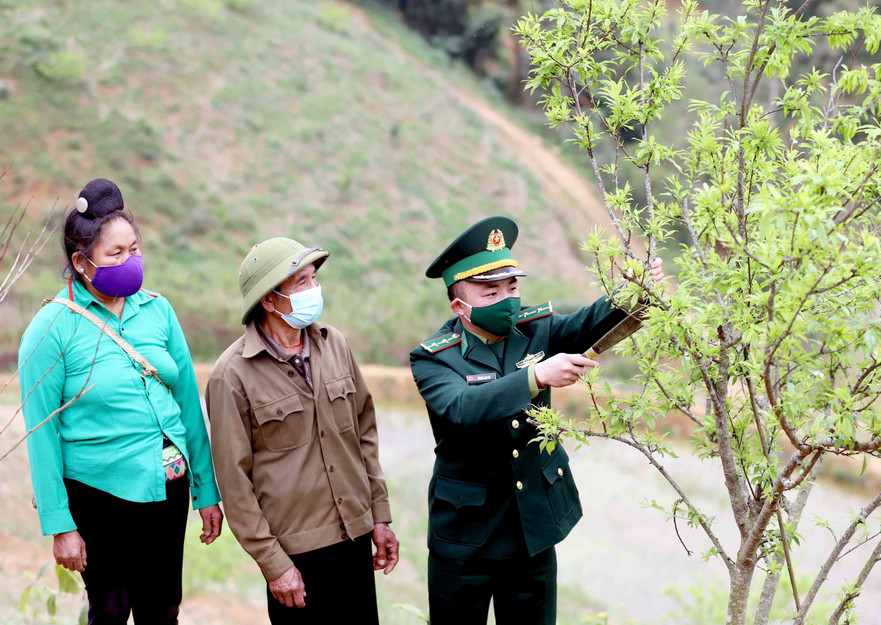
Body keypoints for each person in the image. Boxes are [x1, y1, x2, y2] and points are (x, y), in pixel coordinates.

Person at [410, 216, 664, 625]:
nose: (507, 299)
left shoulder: (535, 329)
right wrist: (535, 376)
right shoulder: (433, 357)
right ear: (460, 305)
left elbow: (587, 324)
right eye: (490, 292)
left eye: (512, 287)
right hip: (464, 536)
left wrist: (633, 293)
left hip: (531, 528)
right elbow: (462, 407)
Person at [18, 178, 223, 625]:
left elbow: (189, 404)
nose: (130, 261)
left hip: (167, 491)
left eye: (134, 249)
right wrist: (60, 524)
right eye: (116, 253)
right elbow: (41, 432)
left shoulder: (158, 311)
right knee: (110, 611)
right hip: (98, 496)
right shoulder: (52, 327)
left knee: (163, 609)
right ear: (81, 261)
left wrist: (205, 490)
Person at [205, 237, 398, 624]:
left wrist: (379, 516)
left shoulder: (335, 344)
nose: (314, 290)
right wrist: (274, 564)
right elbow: (234, 481)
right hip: (296, 555)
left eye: (314, 279)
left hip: (355, 537)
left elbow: (365, 433)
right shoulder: (232, 376)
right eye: (301, 283)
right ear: (269, 300)